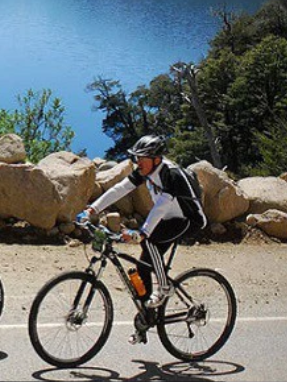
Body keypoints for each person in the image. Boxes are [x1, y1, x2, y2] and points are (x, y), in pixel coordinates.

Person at [76, 134, 205, 342]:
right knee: (143, 267)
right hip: (167, 219)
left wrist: (143, 232)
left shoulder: (171, 174)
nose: (138, 162)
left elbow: (162, 205)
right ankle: (147, 318)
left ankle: (164, 287)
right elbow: (120, 188)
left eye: (142, 158)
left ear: (156, 159)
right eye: (136, 158)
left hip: (189, 219)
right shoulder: (146, 170)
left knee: (149, 241)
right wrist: (92, 209)